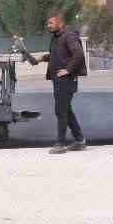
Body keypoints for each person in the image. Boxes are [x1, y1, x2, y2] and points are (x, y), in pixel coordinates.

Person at [18, 14, 88, 154]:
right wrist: (39, 59)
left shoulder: (69, 35)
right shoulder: (57, 37)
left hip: (66, 80)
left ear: (60, 23)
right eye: (48, 23)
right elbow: (57, 54)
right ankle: (80, 141)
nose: (48, 26)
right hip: (59, 80)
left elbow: (79, 54)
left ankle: (60, 144)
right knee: (66, 110)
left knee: (60, 110)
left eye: (51, 23)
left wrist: (68, 70)